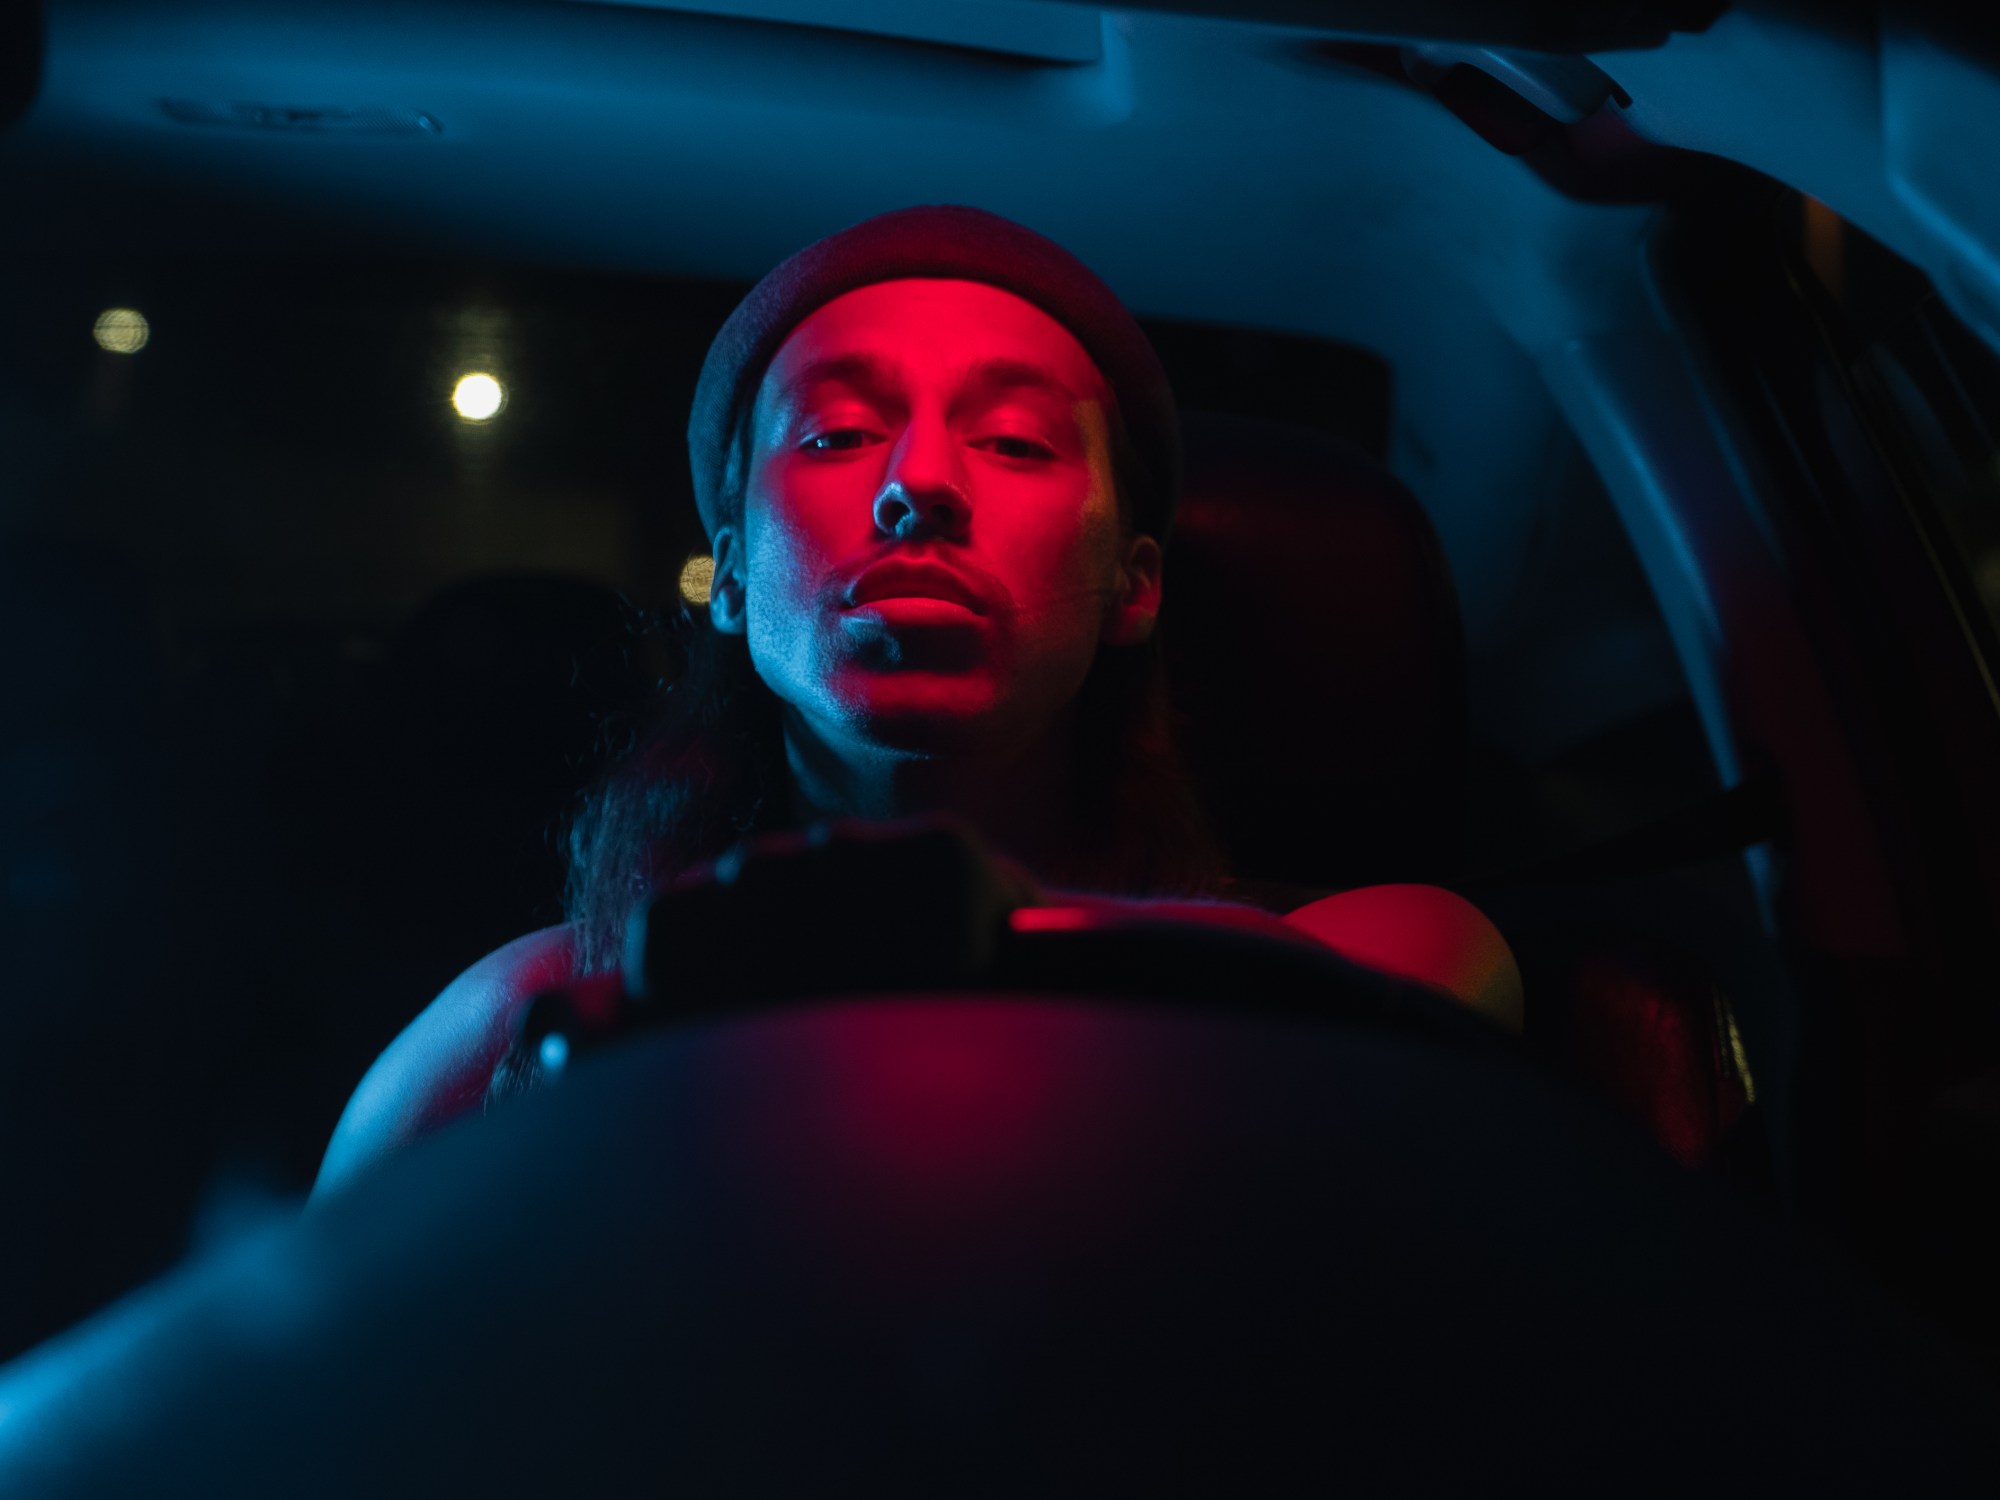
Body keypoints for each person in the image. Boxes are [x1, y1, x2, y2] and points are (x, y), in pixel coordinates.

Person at [312, 205, 1521, 1199]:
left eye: (1016, 443)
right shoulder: (518, 1025)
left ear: (1134, 583)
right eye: (837, 435)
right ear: (731, 578)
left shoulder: (1385, 949)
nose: (920, 484)